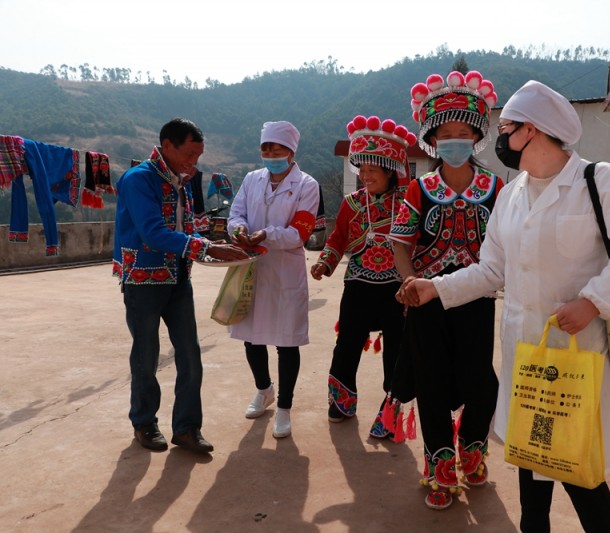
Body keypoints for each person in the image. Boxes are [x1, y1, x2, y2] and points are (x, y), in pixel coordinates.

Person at [401, 80, 610, 531]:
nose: (499, 137)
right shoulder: (511, 195)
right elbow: (491, 271)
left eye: (506, 127)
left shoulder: (598, 181)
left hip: (576, 359)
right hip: (527, 358)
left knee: (581, 477)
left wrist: (593, 301)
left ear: (533, 130)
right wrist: (436, 288)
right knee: (531, 476)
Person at [388, 70, 503, 510]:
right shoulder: (419, 189)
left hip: (476, 297)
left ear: (475, 137)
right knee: (432, 382)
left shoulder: (497, 189)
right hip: (427, 301)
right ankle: (439, 466)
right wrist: (409, 284)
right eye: (446, 133)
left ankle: (472, 447)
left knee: (481, 381)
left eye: (463, 132)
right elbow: (401, 245)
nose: (454, 139)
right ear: (433, 141)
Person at [113, 117, 249, 454]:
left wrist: (214, 242)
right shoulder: (138, 179)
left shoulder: (180, 181)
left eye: (198, 156)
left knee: (190, 355)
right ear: (167, 145)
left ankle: (187, 428)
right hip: (143, 280)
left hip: (178, 278)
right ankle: (144, 423)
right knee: (146, 355)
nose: (194, 162)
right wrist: (207, 247)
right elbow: (153, 233)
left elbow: (184, 229)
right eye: (189, 154)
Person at [310, 115, 416, 438]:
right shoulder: (352, 204)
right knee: (347, 342)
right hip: (357, 284)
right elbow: (338, 238)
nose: (366, 176)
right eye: (362, 170)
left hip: (396, 289)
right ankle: (341, 402)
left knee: (396, 349)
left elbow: (416, 244)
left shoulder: (406, 204)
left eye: (373, 170)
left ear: (389, 171)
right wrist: (325, 263)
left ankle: (390, 410)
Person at [227, 121, 320, 439]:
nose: (270, 154)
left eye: (276, 149)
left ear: (291, 152)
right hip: (252, 267)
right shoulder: (252, 179)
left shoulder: (307, 185)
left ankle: (283, 407)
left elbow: (300, 232)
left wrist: (267, 234)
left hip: (284, 271)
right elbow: (235, 213)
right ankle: (263, 389)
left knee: (286, 341)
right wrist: (237, 229)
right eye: (265, 148)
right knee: (251, 336)